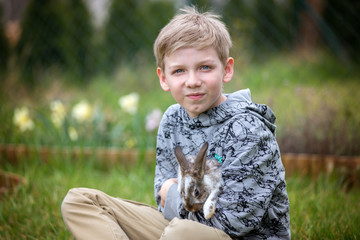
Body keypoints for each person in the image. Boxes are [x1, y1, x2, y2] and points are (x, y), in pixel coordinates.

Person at [61, 6, 291, 240]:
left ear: (227, 69)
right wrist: (175, 198)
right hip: (180, 228)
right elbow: (162, 200)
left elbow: (234, 222)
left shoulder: (248, 129)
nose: (192, 81)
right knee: (80, 202)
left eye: (205, 67)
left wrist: (173, 195)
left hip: (229, 236)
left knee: (179, 232)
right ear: (164, 78)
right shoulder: (172, 120)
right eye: (179, 71)